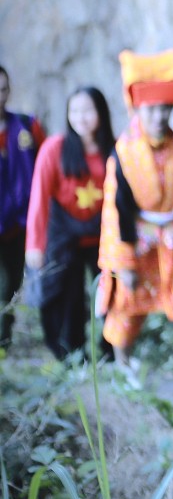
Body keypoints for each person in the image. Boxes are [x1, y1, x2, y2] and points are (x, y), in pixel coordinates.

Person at [96, 49, 173, 386]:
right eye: (151, 108)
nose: (159, 115)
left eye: (165, 108)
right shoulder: (123, 153)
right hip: (137, 235)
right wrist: (124, 262)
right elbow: (117, 210)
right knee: (126, 301)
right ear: (138, 109)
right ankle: (123, 363)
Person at [25, 87, 116, 362]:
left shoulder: (114, 149)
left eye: (87, 110)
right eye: (74, 111)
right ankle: (71, 354)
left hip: (103, 232)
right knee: (67, 296)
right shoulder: (55, 148)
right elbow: (39, 198)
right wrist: (35, 245)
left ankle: (111, 349)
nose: (81, 117)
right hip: (64, 232)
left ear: (101, 113)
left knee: (113, 292)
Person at [0, 65, 46, 349]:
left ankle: (3, 341)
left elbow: (45, 166)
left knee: (11, 284)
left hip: (18, 225)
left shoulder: (27, 127)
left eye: (3, 89)